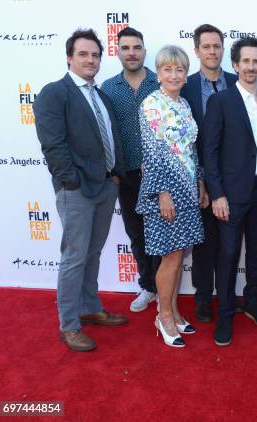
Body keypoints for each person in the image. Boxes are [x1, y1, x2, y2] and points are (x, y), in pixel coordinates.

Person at [34, 29, 128, 352]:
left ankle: (89, 307)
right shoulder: (54, 93)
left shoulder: (99, 95)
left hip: (105, 186)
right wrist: (71, 181)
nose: (91, 60)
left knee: (93, 252)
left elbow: (110, 137)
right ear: (69, 58)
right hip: (76, 190)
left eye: (96, 55)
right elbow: (53, 145)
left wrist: (114, 177)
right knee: (74, 256)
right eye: (84, 54)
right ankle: (69, 325)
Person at [203, 36, 257, 346]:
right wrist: (217, 193)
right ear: (234, 65)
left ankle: (253, 302)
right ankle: (226, 315)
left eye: (256, 61)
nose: (250, 66)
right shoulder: (220, 101)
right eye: (245, 61)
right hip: (231, 194)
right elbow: (210, 150)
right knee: (229, 254)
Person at [136, 45, 204, 348]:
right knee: (171, 256)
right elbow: (152, 153)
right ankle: (163, 316)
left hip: (187, 189)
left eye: (179, 70)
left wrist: (200, 181)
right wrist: (163, 193)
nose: (174, 75)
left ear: (185, 73)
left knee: (178, 255)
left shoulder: (185, 104)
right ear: (159, 72)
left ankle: (174, 311)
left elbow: (190, 149)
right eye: (167, 69)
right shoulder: (152, 104)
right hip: (164, 190)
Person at [180, 24, 238, 323]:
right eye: (207, 47)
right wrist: (201, 180)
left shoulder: (237, 82)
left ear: (223, 49)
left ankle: (228, 294)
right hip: (199, 178)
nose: (212, 51)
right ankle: (203, 297)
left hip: (234, 176)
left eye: (217, 46)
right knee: (203, 242)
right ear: (197, 50)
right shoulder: (185, 87)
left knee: (230, 240)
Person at [101, 27, 161, 313]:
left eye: (136, 47)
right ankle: (148, 287)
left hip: (160, 173)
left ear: (144, 51)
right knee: (137, 234)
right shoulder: (108, 88)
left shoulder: (160, 82)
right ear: (118, 52)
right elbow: (104, 132)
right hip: (127, 176)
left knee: (161, 232)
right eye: (125, 48)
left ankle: (165, 288)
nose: (132, 53)